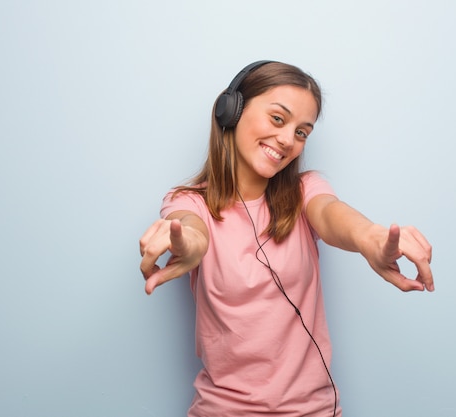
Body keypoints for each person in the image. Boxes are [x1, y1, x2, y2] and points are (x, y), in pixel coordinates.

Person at [139, 60, 434, 417]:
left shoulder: (304, 190)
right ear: (230, 111)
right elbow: (191, 229)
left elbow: (330, 214)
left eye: (301, 132)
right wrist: (186, 242)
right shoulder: (188, 203)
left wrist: (369, 236)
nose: (287, 140)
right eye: (278, 119)